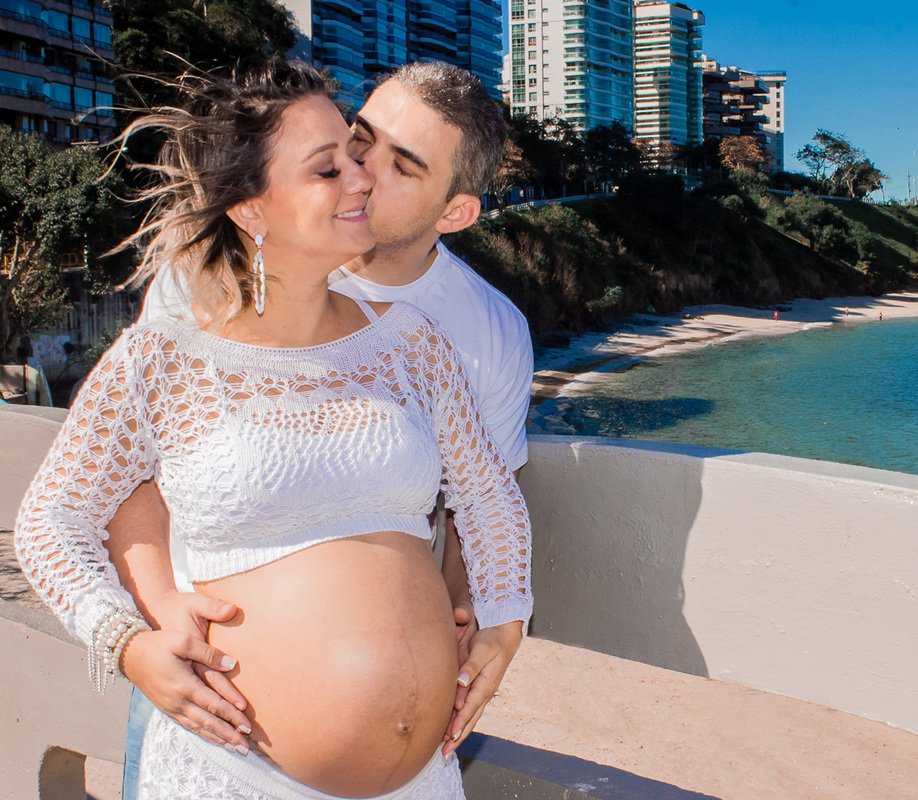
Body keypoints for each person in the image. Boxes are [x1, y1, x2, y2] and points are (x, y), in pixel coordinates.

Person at [15, 60, 531, 800]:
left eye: (363, 161)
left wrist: (503, 621)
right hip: (232, 768)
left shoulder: (414, 343)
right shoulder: (166, 355)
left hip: (422, 780)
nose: (362, 180)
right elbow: (51, 519)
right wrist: (128, 642)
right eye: (335, 165)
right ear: (253, 208)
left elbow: (487, 496)